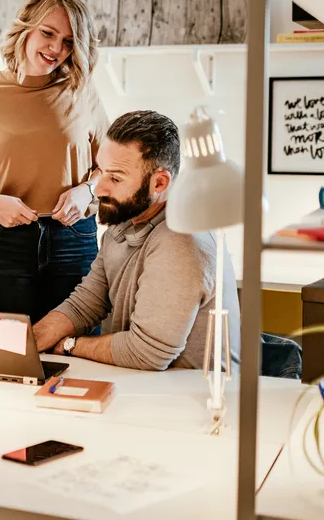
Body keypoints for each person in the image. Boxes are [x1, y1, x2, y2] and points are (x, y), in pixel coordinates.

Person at [32, 110, 242, 371]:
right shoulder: (124, 220)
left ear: (159, 183)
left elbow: (147, 353)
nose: (98, 189)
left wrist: (69, 346)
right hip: (143, 385)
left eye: (116, 178)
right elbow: (86, 303)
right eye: (101, 173)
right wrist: (29, 343)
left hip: (187, 399)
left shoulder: (181, 242)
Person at [0, 0, 110, 321]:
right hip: (6, 247)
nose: (56, 48)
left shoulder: (82, 93)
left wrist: (87, 190)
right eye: (48, 33)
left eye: (68, 42)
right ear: (25, 28)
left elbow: (110, 169)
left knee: (77, 354)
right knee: (10, 360)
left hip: (75, 242)